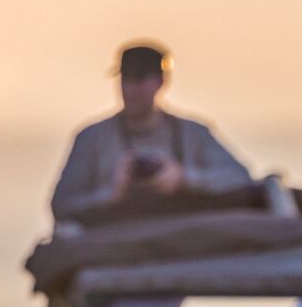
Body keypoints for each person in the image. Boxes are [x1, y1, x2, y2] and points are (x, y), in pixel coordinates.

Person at [50, 43, 253, 223]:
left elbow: (241, 179)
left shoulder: (193, 134)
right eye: (125, 79)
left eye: (139, 79)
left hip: (182, 250)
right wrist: (112, 193)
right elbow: (60, 206)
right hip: (114, 250)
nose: (131, 90)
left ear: (161, 82)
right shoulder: (92, 139)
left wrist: (183, 179)